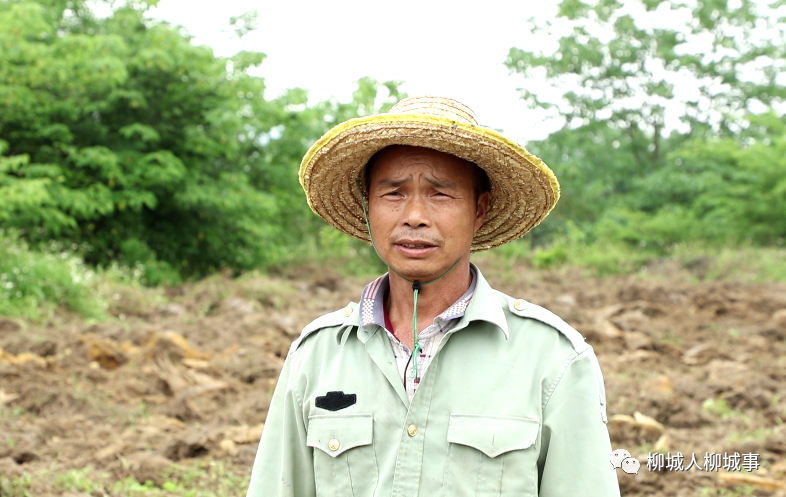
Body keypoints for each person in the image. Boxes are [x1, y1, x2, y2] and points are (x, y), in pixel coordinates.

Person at [246, 96, 620, 496]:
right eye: (393, 193)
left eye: (440, 194)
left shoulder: (553, 359)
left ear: (479, 210)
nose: (415, 215)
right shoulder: (316, 356)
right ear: (367, 206)